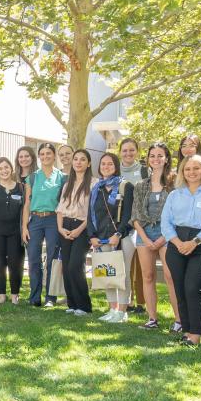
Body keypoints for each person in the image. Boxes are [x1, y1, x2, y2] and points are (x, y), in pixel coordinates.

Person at [161, 154, 201, 347]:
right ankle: (186, 331)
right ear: (182, 172)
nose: (192, 172)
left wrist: (194, 242)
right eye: (187, 169)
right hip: (176, 244)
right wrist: (177, 243)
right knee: (180, 288)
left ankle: (195, 334)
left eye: (196, 168)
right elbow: (165, 223)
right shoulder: (175, 195)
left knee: (193, 288)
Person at [130, 143, 180, 331]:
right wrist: (145, 238)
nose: (156, 159)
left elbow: (177, 214)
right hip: (144, 233)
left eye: (160, 155)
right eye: (152, 156)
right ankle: (152, 318)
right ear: (148, 159)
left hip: (168, 234)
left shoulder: (175, 183)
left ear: (166, 158)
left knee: (170, 276)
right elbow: (134, 216)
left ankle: (179, 320)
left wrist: (163, 237)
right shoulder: (141, 185)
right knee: (148, 276)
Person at [89, 153, 135, 323]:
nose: (106, 167)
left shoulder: (126, 186)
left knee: (123, 274)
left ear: (116, 166)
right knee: (106, 274)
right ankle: (112, 309)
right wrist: (92, 236)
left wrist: (118, 234)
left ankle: (122, 312)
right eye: (103, 164)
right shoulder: (96, 188)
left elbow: (129, 215)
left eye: (110, 164)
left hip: (122, 237)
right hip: (101, 238)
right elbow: (90, 214)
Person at [0, 157, 27, 305]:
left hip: (16, 232)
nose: (4, 170)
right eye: (0, 168)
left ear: (11, 168)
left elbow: (26, 210)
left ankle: (15, 295)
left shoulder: (21, 188)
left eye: (6, 167)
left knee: (16, 264)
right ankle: (1, 295)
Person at [25, 143, 64, 307]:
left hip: (53, 220)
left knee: (52, 259)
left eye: (49, 153)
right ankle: (35, 297)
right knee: (34, 259)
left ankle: (50, 297)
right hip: (34, 220)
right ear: (39, 156)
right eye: (42, 154)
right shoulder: (32, 177)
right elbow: (26, 204)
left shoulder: (63, 177)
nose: (45, 156)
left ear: (54, 156)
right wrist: (23, 226)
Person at [55, 149, 92, 315]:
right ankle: (72, 304)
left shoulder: (94, 183)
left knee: (76, 265)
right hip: (65, 226)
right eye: (76, 159)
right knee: (67, 266)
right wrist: (60, 228)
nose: (78, 162)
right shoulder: (67, 183)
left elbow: (92, 212)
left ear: (88, 163)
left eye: (82, 159)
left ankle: (84, 306)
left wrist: (78, 230)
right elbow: (60, 209)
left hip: (82, 227)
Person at [119, 137, 148, 314]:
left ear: (137, 152)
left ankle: (142, 302)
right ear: (120, 152)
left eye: (131, 150)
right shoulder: (115, 170)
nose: (128, 153)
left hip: (141, 223)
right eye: (125, 150)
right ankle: (127, 300)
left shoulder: (145, 171)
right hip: (122, 224)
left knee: (143, 266)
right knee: (125, 265)